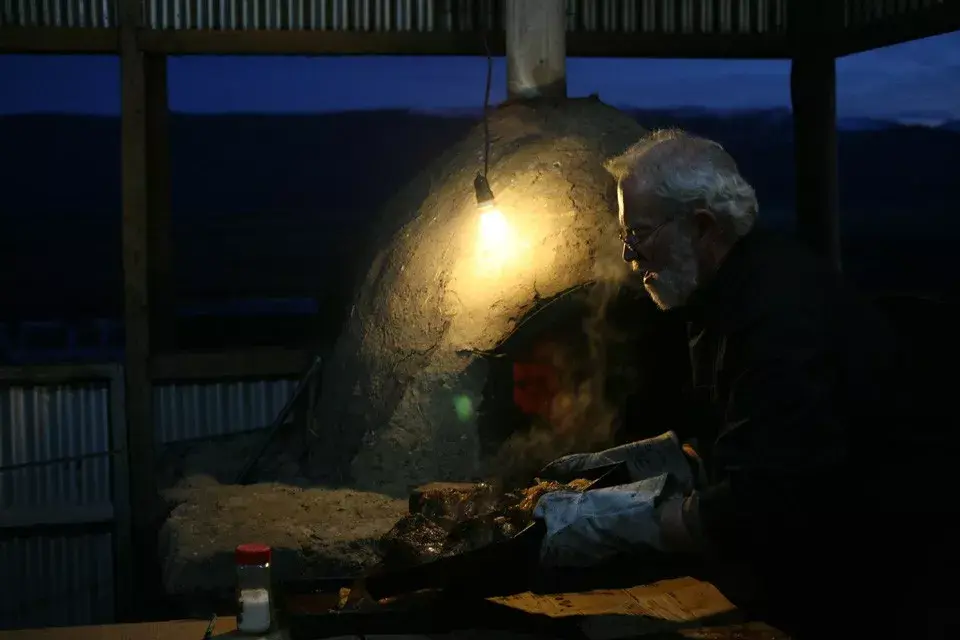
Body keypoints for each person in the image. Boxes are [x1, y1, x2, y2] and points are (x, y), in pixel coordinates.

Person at [533, 129, 945, 639]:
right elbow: (740, 441)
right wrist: (644, 463)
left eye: (638, 233)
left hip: (876, 585)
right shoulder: (717, 293)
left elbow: (760, 504)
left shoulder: (778, 314)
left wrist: (611, 523)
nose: (629, 256)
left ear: (702, 227)